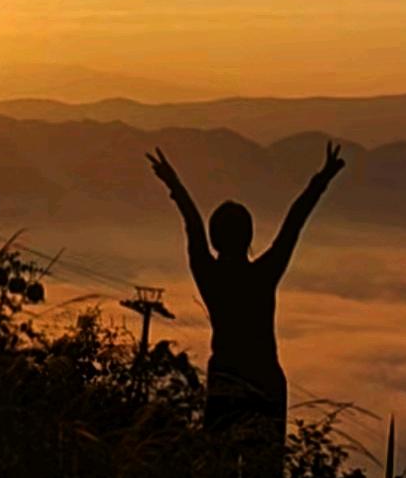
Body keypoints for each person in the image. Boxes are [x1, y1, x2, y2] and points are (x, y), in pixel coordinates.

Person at [147, 140, 345, 442]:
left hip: (225, 381)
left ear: (215, 239)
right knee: (264, 473)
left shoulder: (209, 275)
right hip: (266, 382)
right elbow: (294, 223)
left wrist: (172, 181)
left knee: (219, 466)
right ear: (249, 235)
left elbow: (191, 223)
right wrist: (322, 180)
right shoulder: (263, 275)